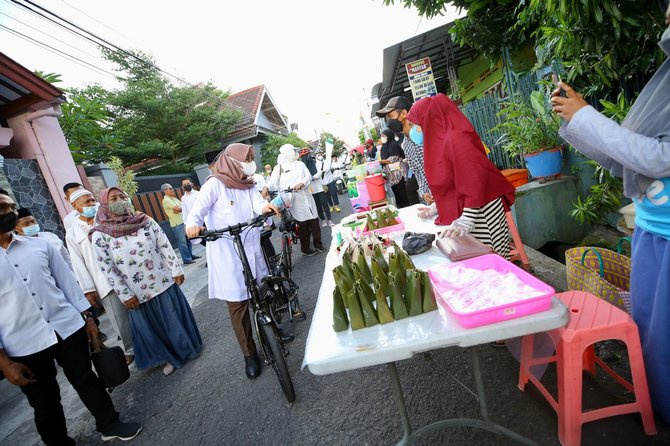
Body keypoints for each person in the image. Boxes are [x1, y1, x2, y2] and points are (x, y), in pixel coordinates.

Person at [550, 5, 670, 423]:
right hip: (652, 231)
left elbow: (657, 158)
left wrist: (585, 116)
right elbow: (627, 159)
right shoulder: (664, 80)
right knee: (653, 337)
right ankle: (657, 410)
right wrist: (575, 121)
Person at [0, 190, 142, 445]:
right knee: (44, 400)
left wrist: (88, 319)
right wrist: (3, 361)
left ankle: (110, 424)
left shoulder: (41, 245)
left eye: (11, 207)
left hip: (67, 327)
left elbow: (67, 284)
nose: (9, 213)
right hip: (23, 343)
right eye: (2, 208)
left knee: (86, 379)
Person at [185, 144, 280, 379]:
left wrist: (265, 207)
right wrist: (193, 226)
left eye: (251, 158)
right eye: (246, 158)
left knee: (262, 294)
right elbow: (196, 212)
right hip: (227, 253)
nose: (250, 161)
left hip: (250, 244)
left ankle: (272, 336)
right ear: (232, 161)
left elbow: (257, 203)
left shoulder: (248, 183)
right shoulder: (214, 184)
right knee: (238, 307)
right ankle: (249, 355)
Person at [91, 187, 202, 377]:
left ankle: (187, 348)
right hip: (137, 292)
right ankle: (168, 358)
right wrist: (125, 294)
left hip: (162, 280)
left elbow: (164, 244)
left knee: (173, 318)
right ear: (104, 204)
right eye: (113, 198)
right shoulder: (100, 234)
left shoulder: (144, 220)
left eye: (122, 196)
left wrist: (175, 268)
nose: (120, 200)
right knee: (153, 328)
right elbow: (107, 268)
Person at [406, 94, 516, 259]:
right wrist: (436, 207)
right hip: (470, 208)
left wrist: (466, 220)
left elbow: (474, 179)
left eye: (417, 124)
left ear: (431, 119)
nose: (416, 130)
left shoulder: (456, 139)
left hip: (482, 209)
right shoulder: (441, 141)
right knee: (477, 262)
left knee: (493, 262)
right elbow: (454, 181)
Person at [65, 189, 134, 364]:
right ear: (75, 206)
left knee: (138, 312)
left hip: (125, 274)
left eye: (91, 201)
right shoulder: (73, 232)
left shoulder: (105, 219)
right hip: (102, 281)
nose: (91, 205)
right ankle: (131, 350)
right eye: (86, 202)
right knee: (119, 318)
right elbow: (77, 262)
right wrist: (88, 290)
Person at [267, 144, 324, 256]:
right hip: (295, 201)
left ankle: (318, 244)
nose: (295, 153)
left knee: (314, 222)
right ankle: (305, 248)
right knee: (303, 225)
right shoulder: (279, 168)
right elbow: (273, 182)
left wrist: (302, 183)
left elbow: (308, 177)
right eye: (293, 151)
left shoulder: (300, 164)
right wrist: (266, 188)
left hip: (307, 196)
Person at [377, 95, 433, 204]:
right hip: (434, 201)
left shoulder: (426, 134)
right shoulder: (406, 144)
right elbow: (418, 174)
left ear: (403, 113)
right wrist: (424, 193)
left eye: (390, 116)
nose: (389, 121)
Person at [161, 183, 200, 265]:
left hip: (182, 221)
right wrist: (180, 209)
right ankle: (187, 259)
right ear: (165, 190)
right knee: (182, 242)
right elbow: (179, 209)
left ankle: (190, 256)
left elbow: (181, 208)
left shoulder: (174, 199)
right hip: (177, 224)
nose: (172, 190)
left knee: (188, 240)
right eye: (170, 188)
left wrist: (180, 209)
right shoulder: (166, 200)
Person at [300, 147, 333, 227]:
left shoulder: (315, 163)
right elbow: (303, 177)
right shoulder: (302, 166)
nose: (306, 157)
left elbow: (319, 173)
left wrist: (311, 177)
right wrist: (308, 178)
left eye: (307, 155)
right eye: (304, 156)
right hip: (311, 189)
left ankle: (330, 220)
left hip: (319, 187)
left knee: (324, 203)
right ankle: (323, 220)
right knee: (317, 206)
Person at [379, 128, 411, 208]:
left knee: (402, 192)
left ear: (388, 136)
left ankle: (407, 207)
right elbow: (383, 160)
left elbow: (392, 159)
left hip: (398, 174)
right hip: (390, 175)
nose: (382, 138)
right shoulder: (383, 148)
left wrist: (379, 162)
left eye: (384, 136)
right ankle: (401, 209)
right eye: (381, 136)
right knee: (396, 194)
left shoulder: (394, 144)